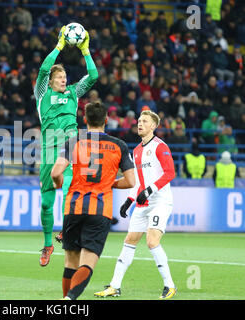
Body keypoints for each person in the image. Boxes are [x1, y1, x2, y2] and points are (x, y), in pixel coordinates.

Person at [51, 101, 135, 300]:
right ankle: (69, 299)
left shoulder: (74, 141)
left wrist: (58, 183)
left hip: (74, 206)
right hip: (100, 209)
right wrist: (110, 183)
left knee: (70, 261)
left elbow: (55, 172)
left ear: (85, 119)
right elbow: (131, 181)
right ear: (106, 120)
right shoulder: (119, 145)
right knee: (87, 262)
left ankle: (67, 299)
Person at [94, 110, 177, 300]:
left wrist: (149, 190)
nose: (140, 123)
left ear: (153, 126)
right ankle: (114, 286)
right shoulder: (137, 150)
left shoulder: (160, 146)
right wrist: (129, 200)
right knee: (129, 240)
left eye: (145, 121)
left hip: (160, 201)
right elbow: (138, 180)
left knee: (151, 241)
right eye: (139, 120)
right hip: (142, 202)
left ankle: (170, 286)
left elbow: (170, 172)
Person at [34, 25, 98, 266]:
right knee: (46, 203)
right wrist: (60, 46)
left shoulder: (73, 92)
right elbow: (42, 69)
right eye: (59, 78)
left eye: (64, 77)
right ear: (50, 82)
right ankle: (48, 244)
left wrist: (86, 51)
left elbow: (92, 76)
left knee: (71, 195)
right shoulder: (42, 94)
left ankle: (66, 232)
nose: (64, 80)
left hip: (70, 148)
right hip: (48, 150)